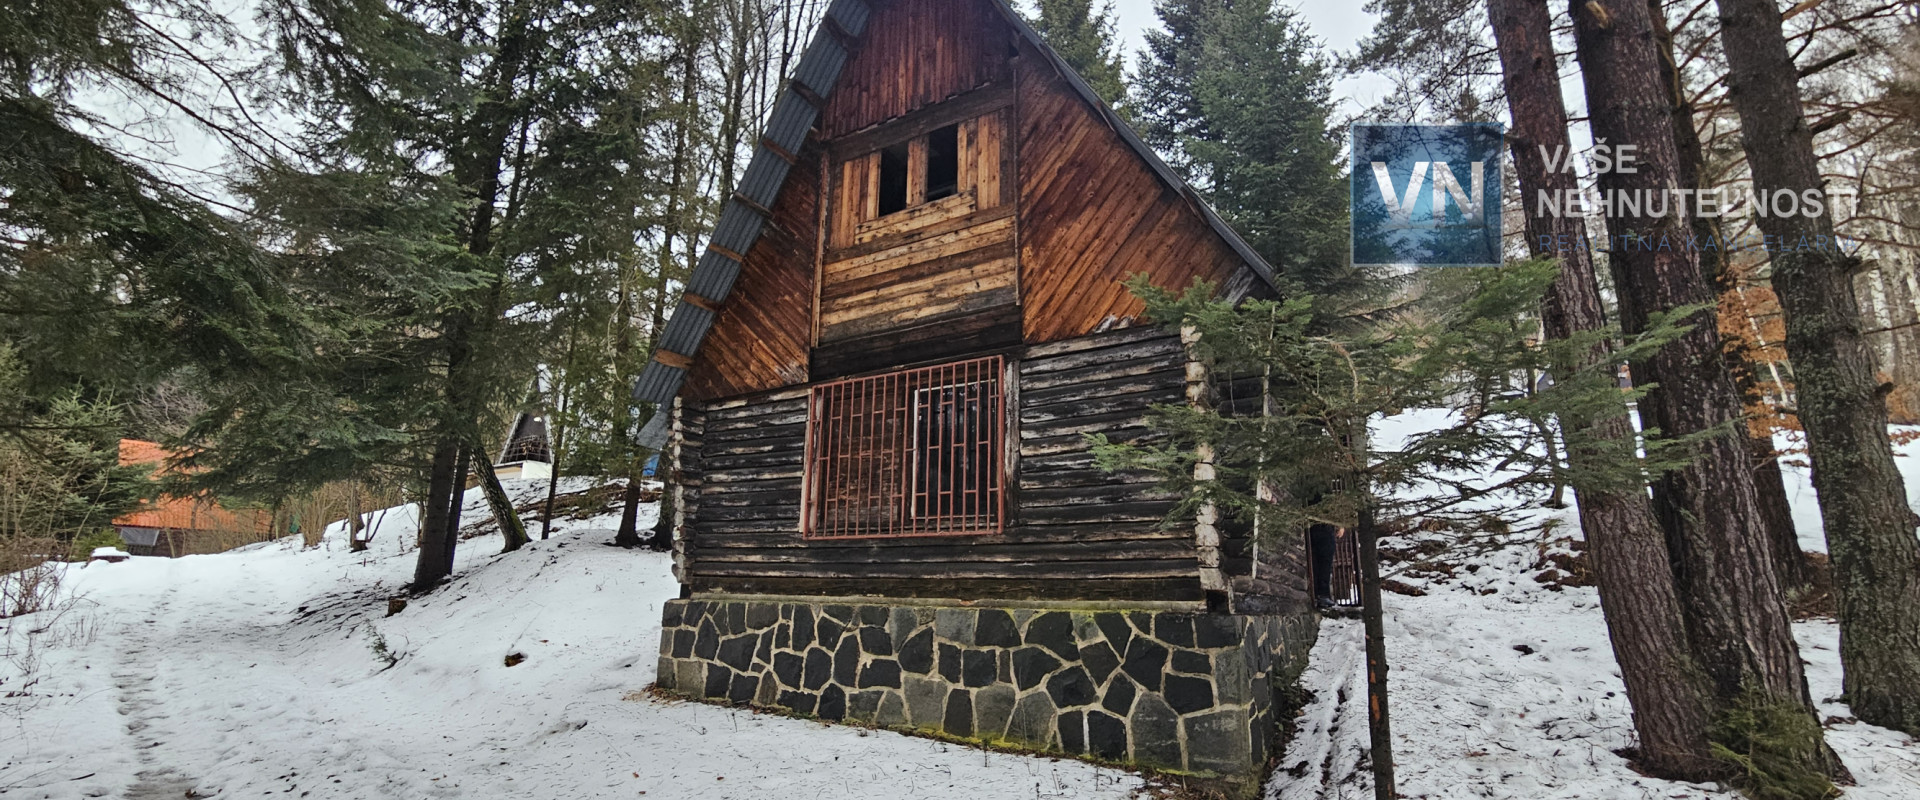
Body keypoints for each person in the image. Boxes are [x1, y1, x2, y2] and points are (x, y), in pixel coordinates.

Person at [1309, 521, 1338, 610]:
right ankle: (1322, 595)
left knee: (1319, 565)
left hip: (1316, 528)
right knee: (1323, 565)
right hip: (1322, 528)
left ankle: (1320, 595)